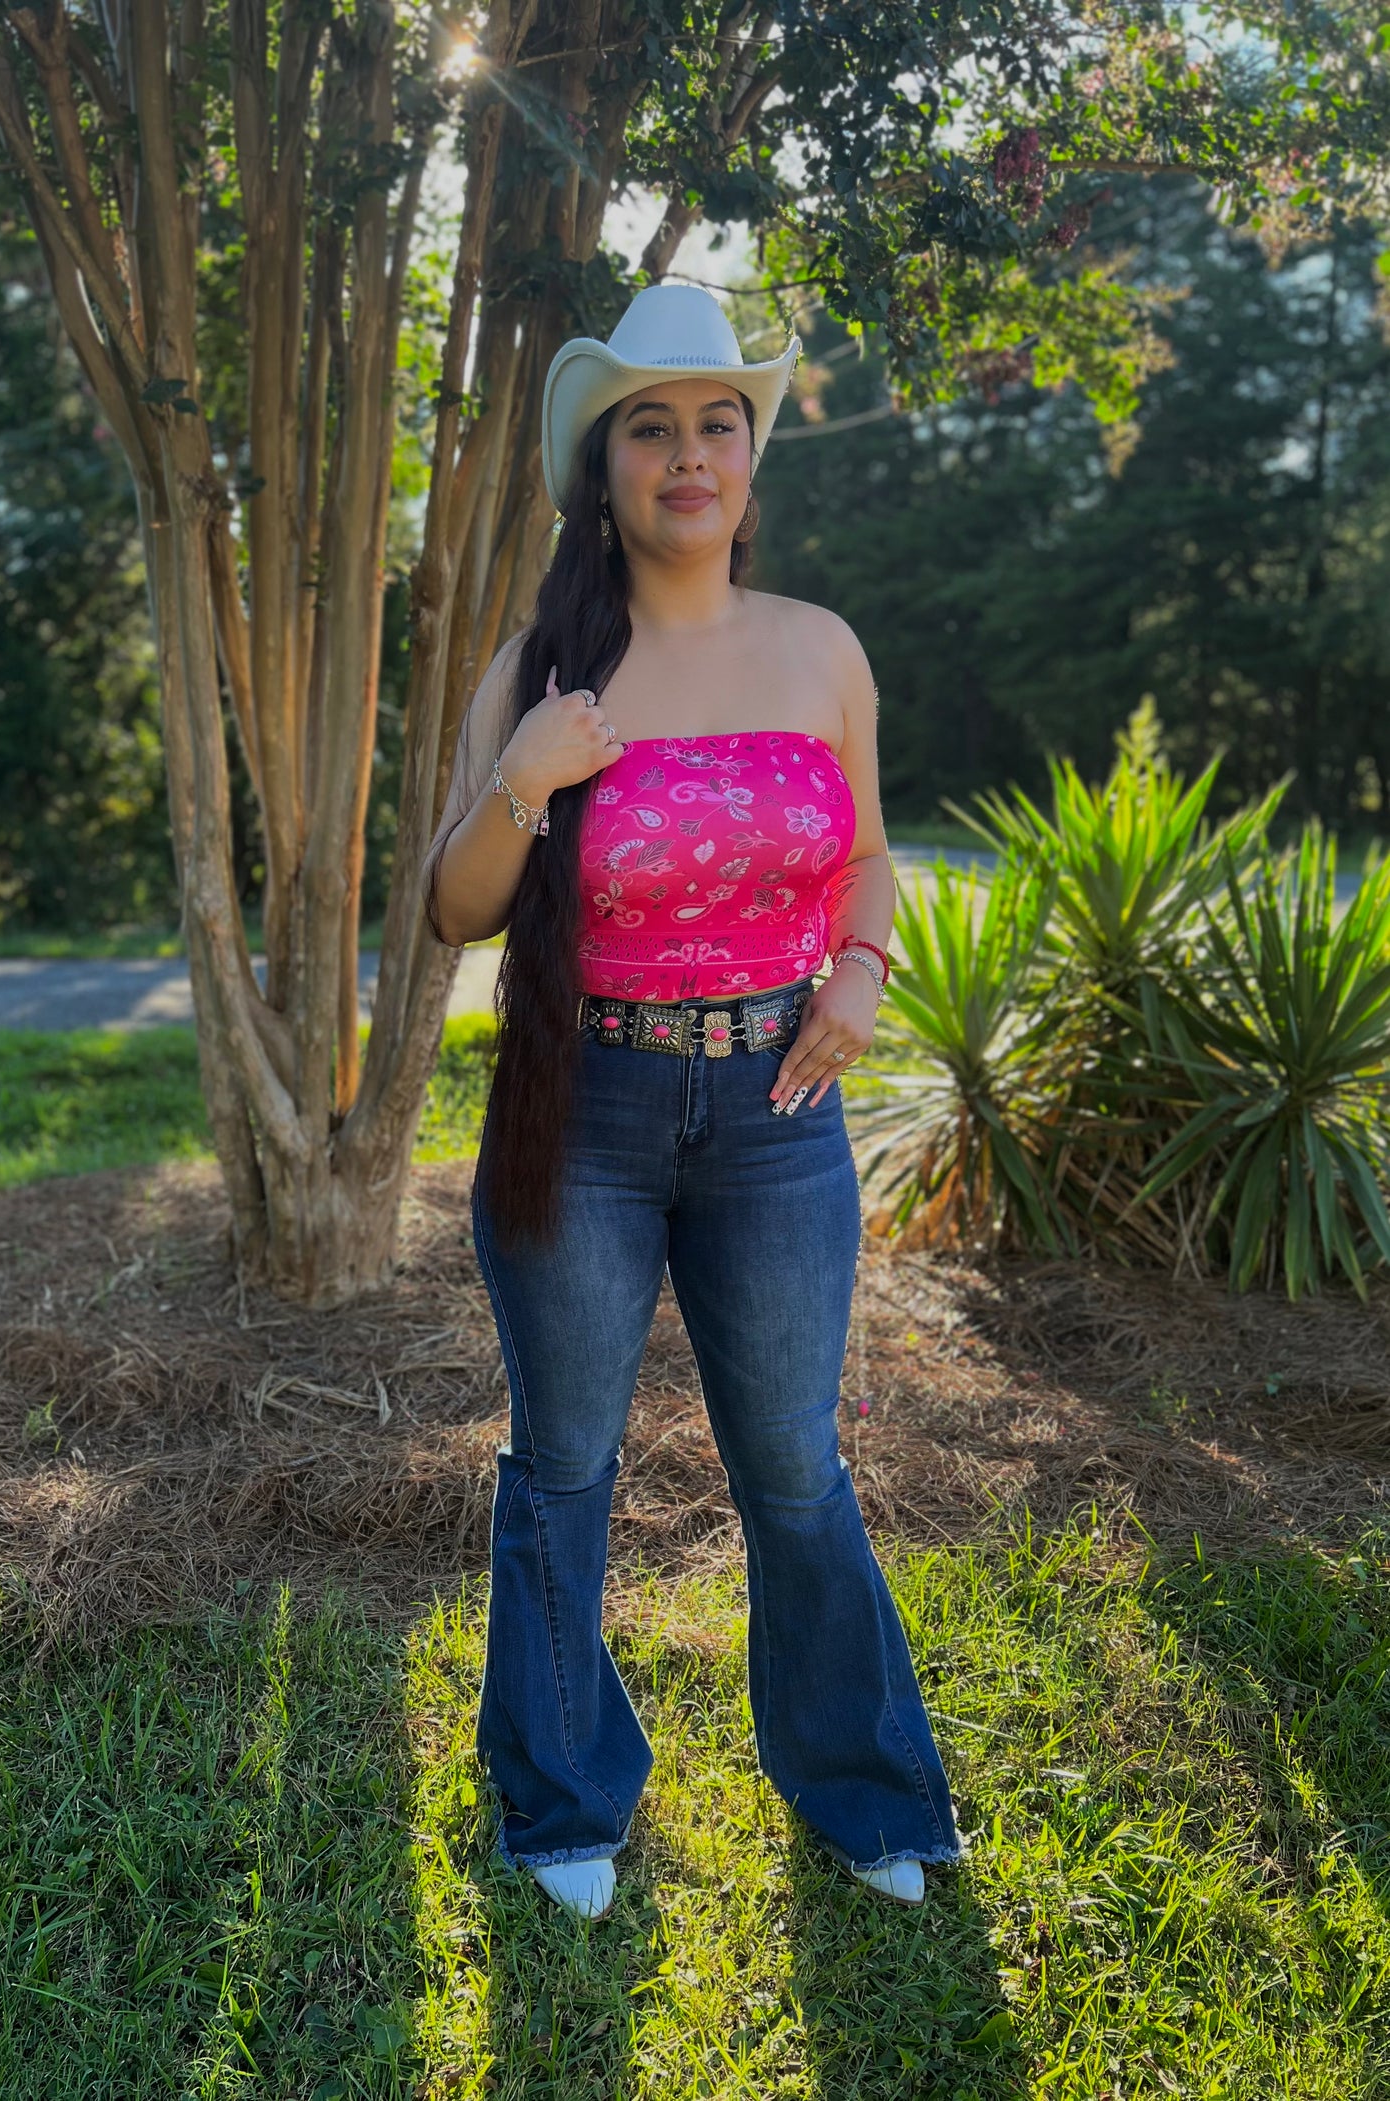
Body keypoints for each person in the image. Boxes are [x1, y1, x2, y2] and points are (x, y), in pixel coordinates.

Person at [421, 283, 962, 1921]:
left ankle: (863, 1790)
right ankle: (561, 1792)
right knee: (566, 1460)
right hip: (581, 1114)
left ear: (748, 455)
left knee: (792, 1465)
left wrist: (860, 970)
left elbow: (866, 850)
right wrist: (528, 776)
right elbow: (456, 906)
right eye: (649, 427)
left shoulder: (818, 647)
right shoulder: (544, 661)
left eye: (715, 422)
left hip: (776, 1115)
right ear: (604, 468)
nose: (687, 454)